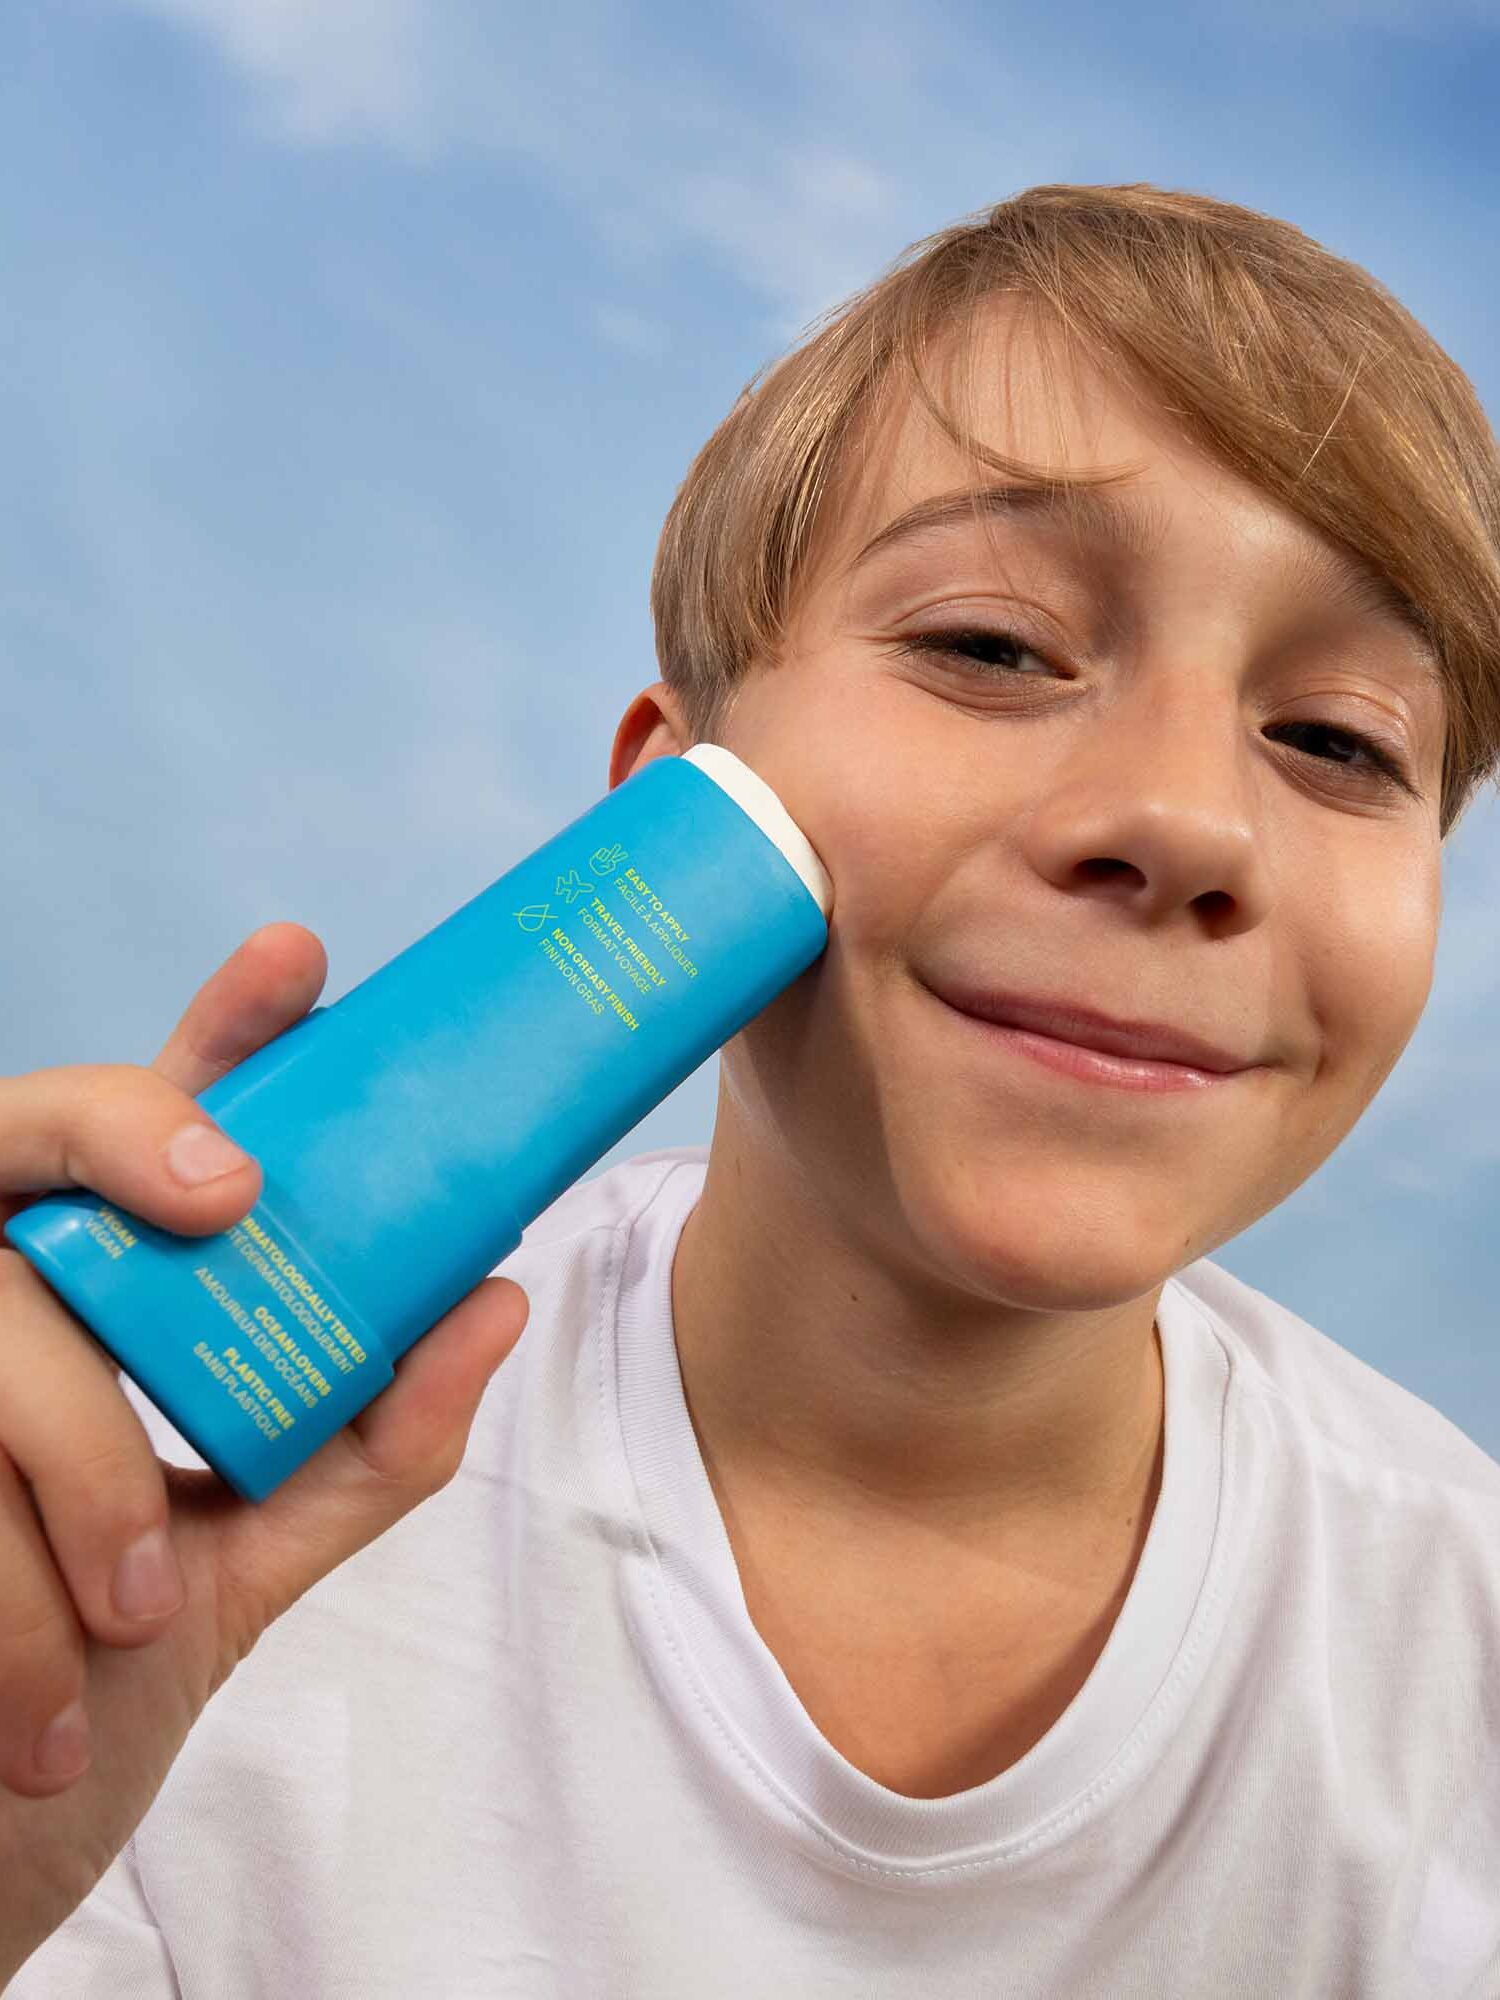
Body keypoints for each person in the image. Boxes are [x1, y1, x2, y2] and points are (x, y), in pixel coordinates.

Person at [3, 182, 1499, 1997]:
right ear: (667, 802)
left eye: (1339, 741)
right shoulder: (157, 1522)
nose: (1185, 821)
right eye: (991, 645)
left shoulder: (1458, 1656)